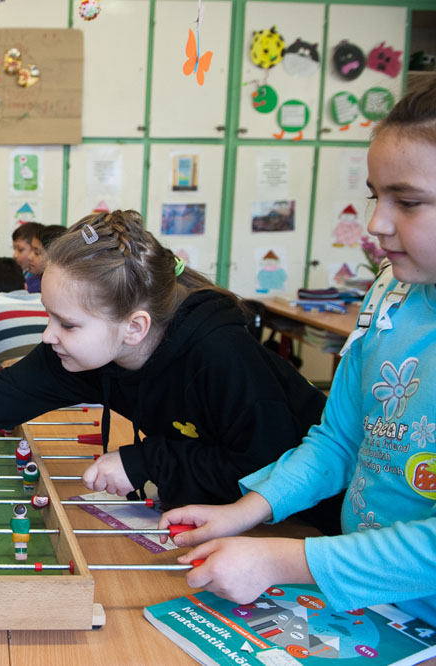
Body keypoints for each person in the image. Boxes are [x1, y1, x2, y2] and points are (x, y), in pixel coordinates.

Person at [0, 210, 341, 534]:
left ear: (133, 327)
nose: (48, 336)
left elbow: (269, 464)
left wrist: (143, 460)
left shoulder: (220, 353)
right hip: (243, 521)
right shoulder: (84, 353)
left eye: (67, 323)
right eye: (49, 316)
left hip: (320, 516)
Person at [158, 82, 436, 624]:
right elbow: (339, 440)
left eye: (407, 202)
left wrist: (289, 559)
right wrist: (245, 512)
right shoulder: (390, 290)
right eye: (375, 197)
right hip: (371, 604)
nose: (376, 224)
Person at [25, 224, 67, 293]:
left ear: (56, 256)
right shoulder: (32, 279)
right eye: (31, 250)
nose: (29, 257)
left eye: (37, 253)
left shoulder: (55, 289)